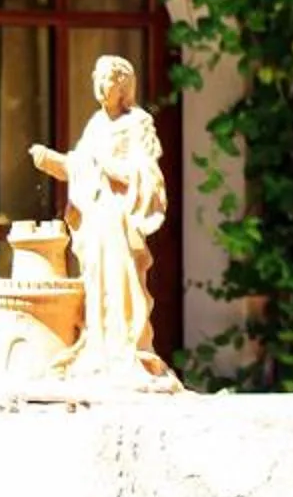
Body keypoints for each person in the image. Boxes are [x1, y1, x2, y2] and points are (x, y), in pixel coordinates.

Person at [30, 54, 181, 391]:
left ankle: (125, 349)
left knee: (122, 281)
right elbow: (81, 166)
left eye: (107, 79)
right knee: (95, 282)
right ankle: (98, 350)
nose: (100, 85)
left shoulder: (138, 122)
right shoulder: (96, 125)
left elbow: (145, 173)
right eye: (96, 78)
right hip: (96, 216)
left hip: (118, 216)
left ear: (123, 85)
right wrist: (52, 162)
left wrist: (107, 166)